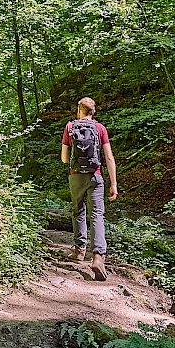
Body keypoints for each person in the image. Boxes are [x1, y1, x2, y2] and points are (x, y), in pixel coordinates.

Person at [61, 96, 118, 280]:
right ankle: (98, 258)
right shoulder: (100, 129)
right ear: (93, 112)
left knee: (78, 212)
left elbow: (64, 158)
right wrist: (114, 184)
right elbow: (109, 157)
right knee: (97, 215)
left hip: (76, 177)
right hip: (96, 175)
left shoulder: (70, 127)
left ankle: (79, 251)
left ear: (79, 110)